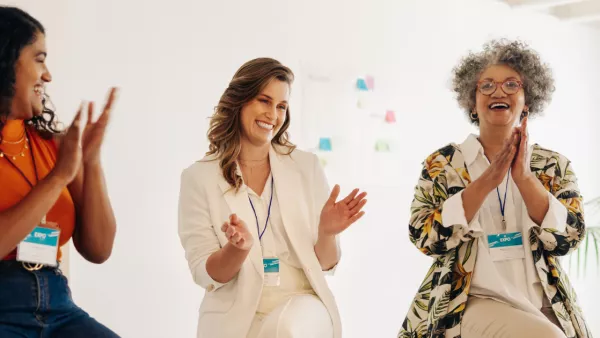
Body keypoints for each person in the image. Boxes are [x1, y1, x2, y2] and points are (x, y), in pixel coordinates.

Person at [398, 40, 591, 338]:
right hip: (471, 301)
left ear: (527, 101)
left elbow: (569, 238)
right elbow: (424, 238)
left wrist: (525, 178)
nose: (498, 91)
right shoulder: (443, 164)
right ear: (471, 102)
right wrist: (488, 180)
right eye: (486, 86)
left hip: (542, 302)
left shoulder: (553, 165)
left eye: (512, 84)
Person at [178, 57, 367, 338]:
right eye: (264, 101)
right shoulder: (199, 178)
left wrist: (327, 232)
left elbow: (326, 264)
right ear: (239, 101)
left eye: (281, 106)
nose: (272, 115)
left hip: (302, 307)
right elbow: (204, 273)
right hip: (234, 318)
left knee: (284, 330)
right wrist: (237, 249)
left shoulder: (306, 167)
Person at [0, 6, 120, 338]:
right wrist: (57, 180)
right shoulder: (59, 167)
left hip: (58, 306)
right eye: (39, 59)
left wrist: (91, 162)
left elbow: (98, 250)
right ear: (6, 61)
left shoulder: (52, 147)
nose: (48, 75)